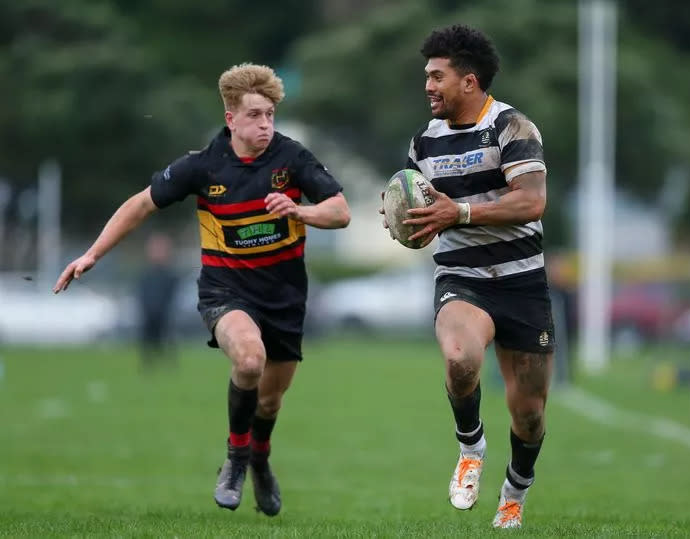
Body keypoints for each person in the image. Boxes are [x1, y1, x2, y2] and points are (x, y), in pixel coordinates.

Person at [53, 63, 351, 516]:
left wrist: (299, 212)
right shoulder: (202, 165)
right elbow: (140, 204)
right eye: (255, 115)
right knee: (250, 358)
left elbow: (340, 211)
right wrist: (93, 254)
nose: (266, 124)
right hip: (225, 292)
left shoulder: (292, 158)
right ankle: (235, 460)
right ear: (231, 118)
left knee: (270, 400)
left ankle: (260, 459)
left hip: (286, 297)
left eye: (270, 114)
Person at [382, 25, 554, 529]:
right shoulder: (423, 142)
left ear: (470, 81)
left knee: (530, 414)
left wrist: (454, 213)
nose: (429, 86)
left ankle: (514, 493)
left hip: (522, 280)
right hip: (463, 277)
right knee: (460, 360)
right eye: (427, 76)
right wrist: (403, 219)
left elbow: (531, 201)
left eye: (438, 76)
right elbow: (417, 204)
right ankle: (471, 447)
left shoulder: (512, 128)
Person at [136, 231, 180, 370]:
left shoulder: (171, 275)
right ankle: (148, 364)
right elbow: (141, 294)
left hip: (165, 314)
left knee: (167, 338)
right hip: (149, 313)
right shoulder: (146, 275)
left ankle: (169, 364)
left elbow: (173, 295)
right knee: (147, 339)